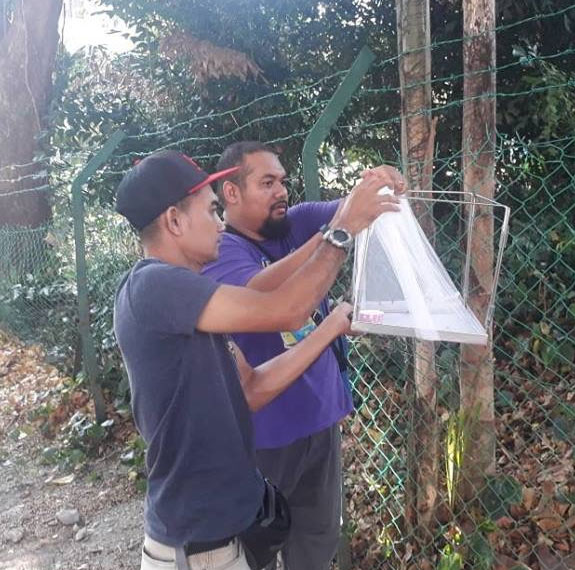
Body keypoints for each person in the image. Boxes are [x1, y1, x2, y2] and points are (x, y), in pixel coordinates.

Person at [112, 149, 401, 570]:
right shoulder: (154, 286)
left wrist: (330, 327)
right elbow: (287, 309)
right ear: (174, 221)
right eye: (211, 211)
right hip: (201, 548)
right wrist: (342, 232)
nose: (220, 223)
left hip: (224, 537)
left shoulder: (189, 298)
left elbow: (251, 387)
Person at [202, 142, 405, 570]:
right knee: (254, 546)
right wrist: (337, 231)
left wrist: (378, 183)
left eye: (282, 181)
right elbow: (265, 294)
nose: (281, 191)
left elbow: (355, 208)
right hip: (265, 435)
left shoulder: (298, 222)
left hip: (320, 418)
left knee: (318, 538)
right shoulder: (219, 251)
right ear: (231, 193)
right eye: (267, 183)